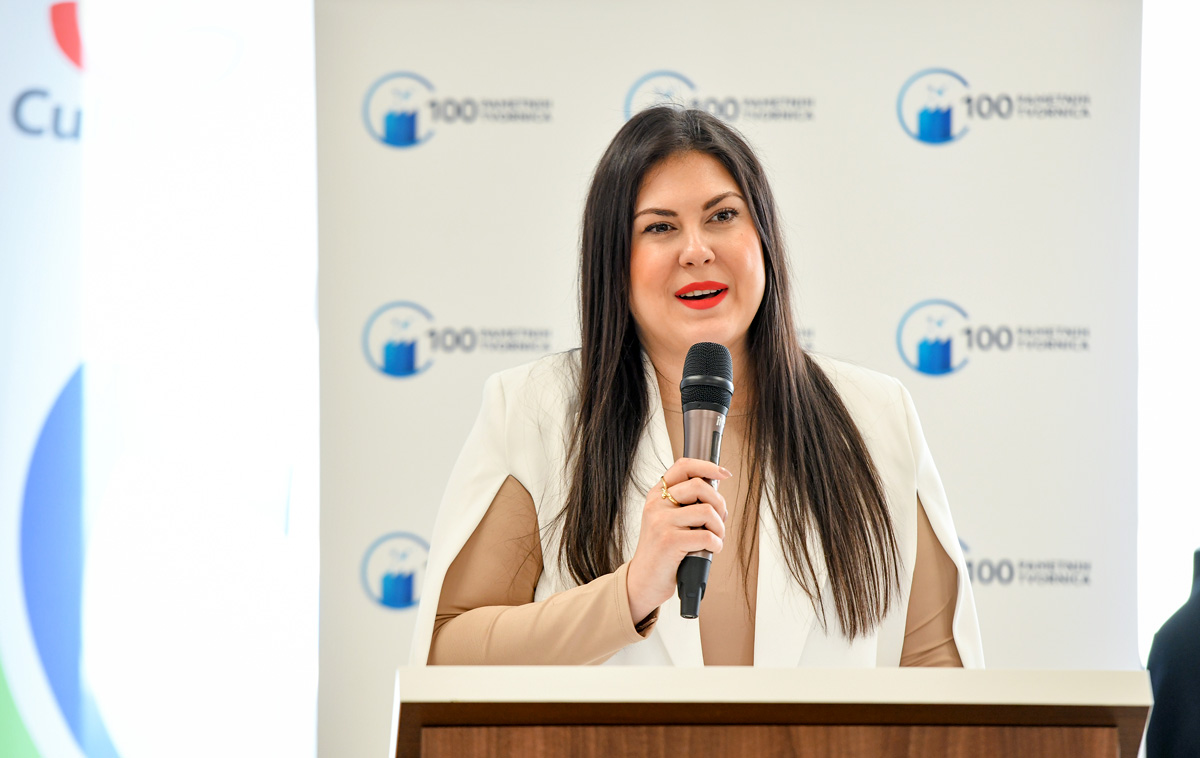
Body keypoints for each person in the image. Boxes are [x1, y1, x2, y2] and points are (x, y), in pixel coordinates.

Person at [409, 106, 984, 667]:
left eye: (722, 216)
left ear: (764, 238)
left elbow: (936, 666)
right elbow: (447, 653)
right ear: (614, 260)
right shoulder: (536, 408)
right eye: (660, 227)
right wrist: (629, 593)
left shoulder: (875, 413)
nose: (696, 250)